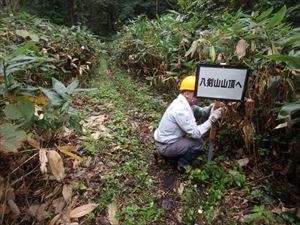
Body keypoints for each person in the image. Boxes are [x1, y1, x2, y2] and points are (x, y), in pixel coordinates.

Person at [153, 75, 223, 172]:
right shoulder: (181, 110)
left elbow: (200, 111)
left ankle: (165, 156)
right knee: (198, 144)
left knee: (193, 141)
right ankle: (182, 165)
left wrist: (211, 108)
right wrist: (212, 119)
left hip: (164, 140)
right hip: (166, 145)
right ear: (186, 93)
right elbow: (196, 133)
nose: (199, 98)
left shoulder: (183, 103)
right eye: (196, 95)